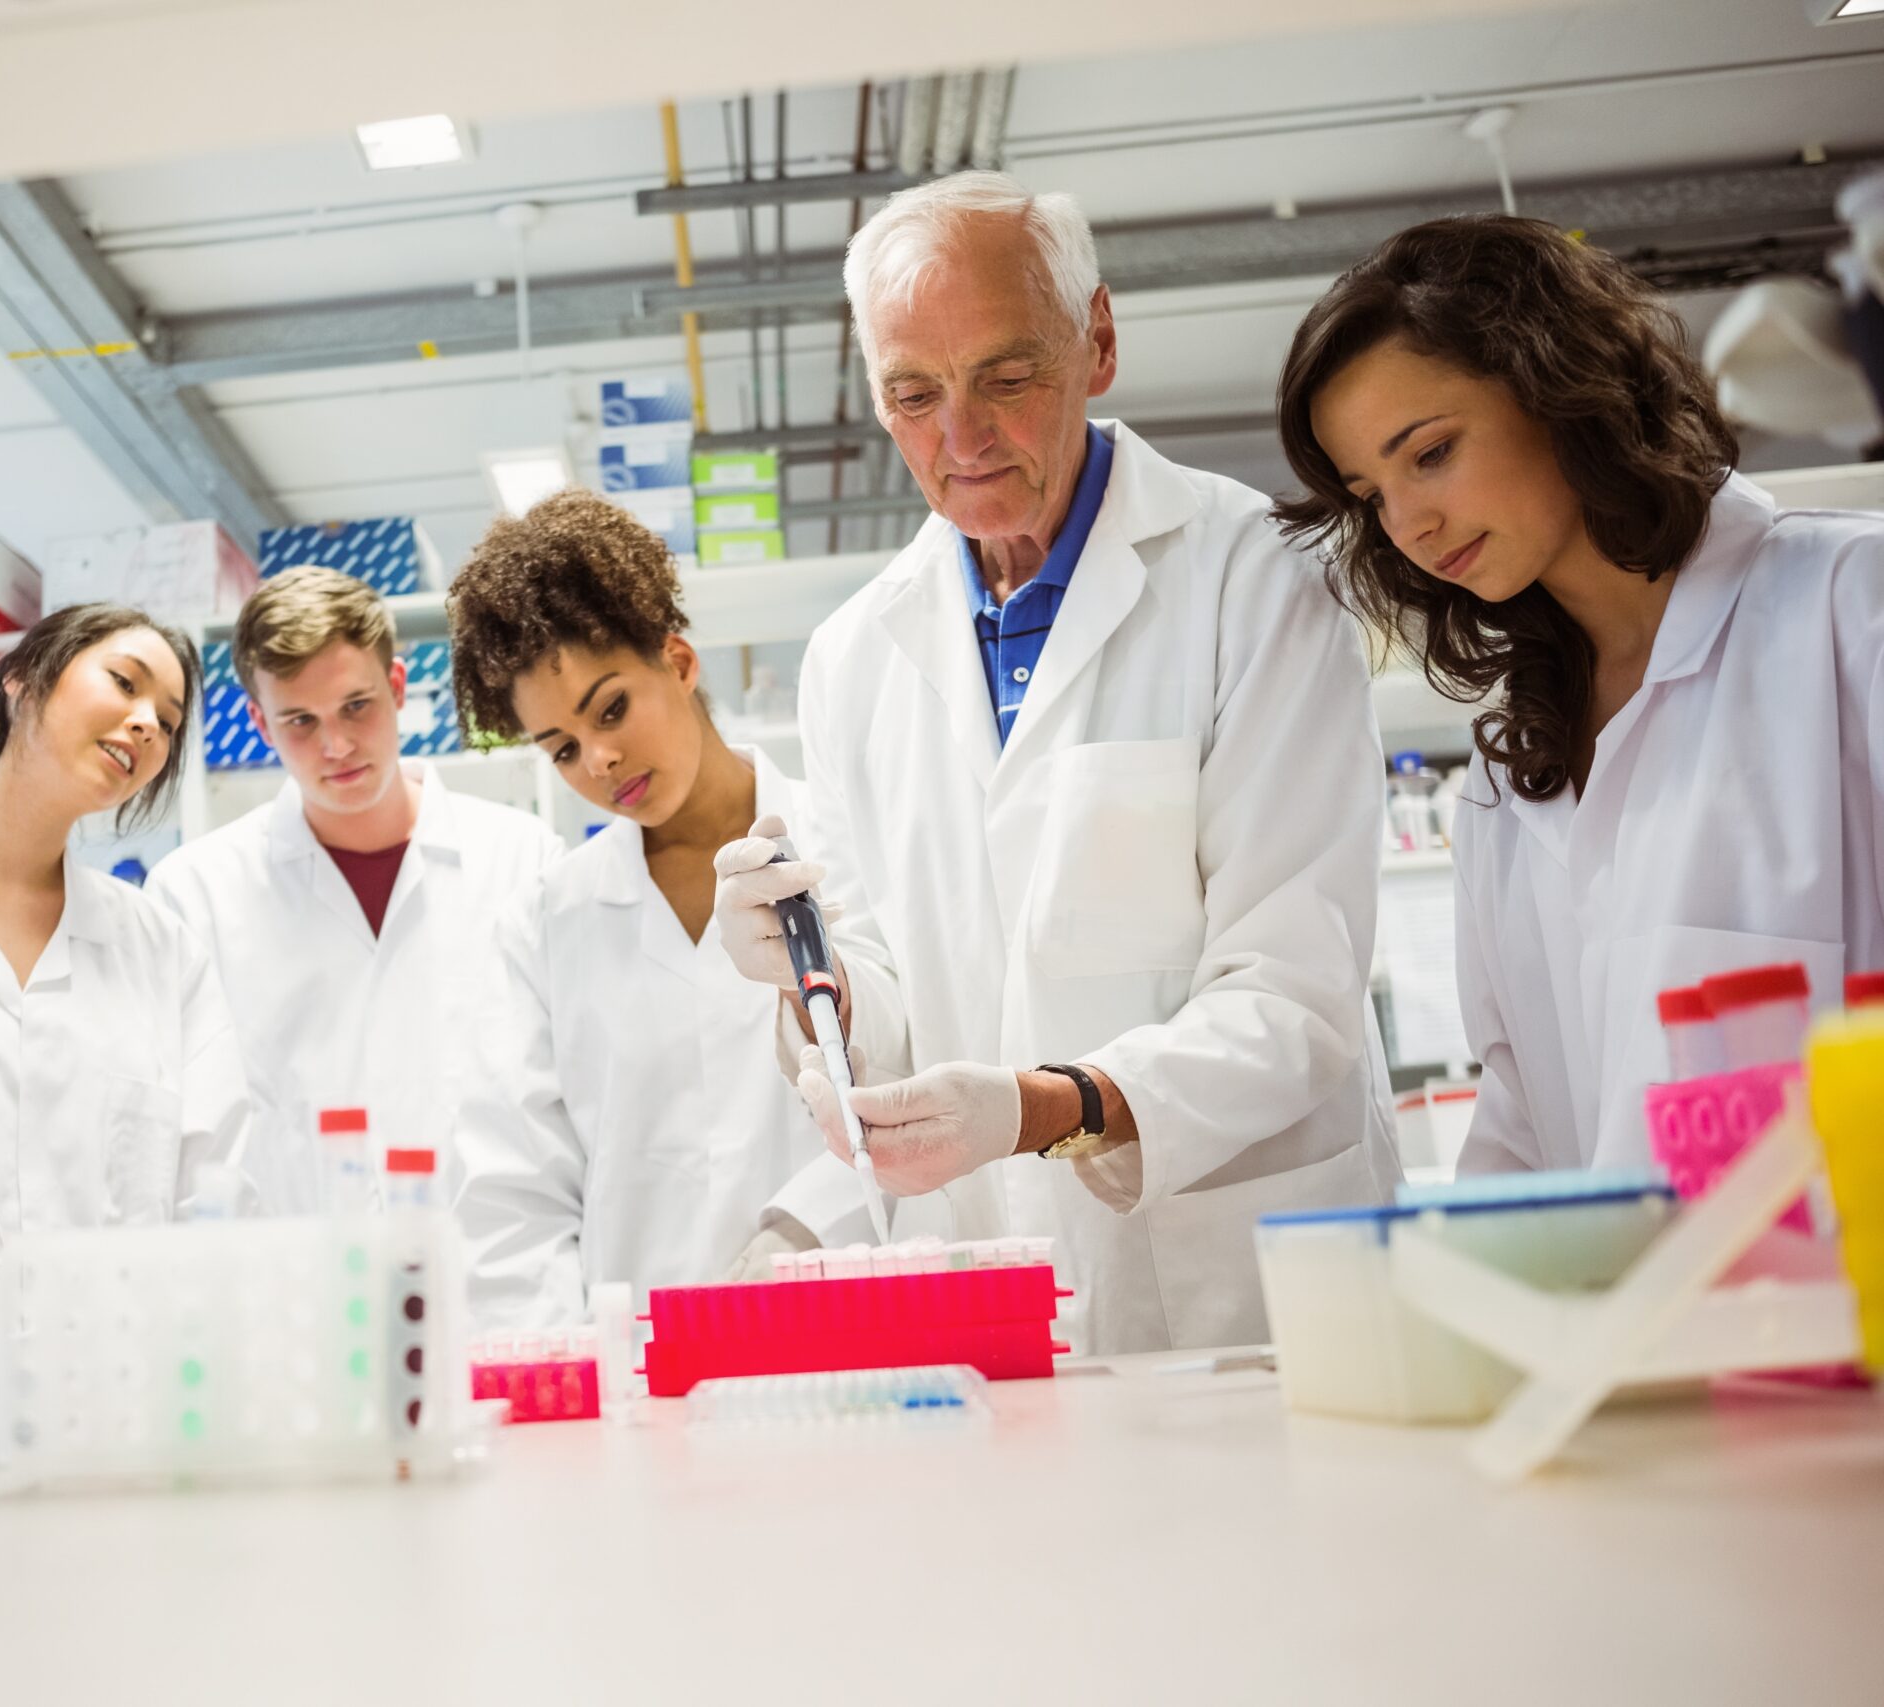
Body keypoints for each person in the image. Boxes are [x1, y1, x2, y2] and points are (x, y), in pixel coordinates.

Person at [710, 171, 1400, 1355]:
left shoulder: (1253, 578)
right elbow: (888, 990)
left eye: (1005, 377)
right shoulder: (852, 657)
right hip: (993, 1294)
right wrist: (811, 977)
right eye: (912, 394)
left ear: (1097, 343)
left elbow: (1295, 993)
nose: (959, 438)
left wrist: (1042, 1110)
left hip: (1250, 1291)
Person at [1274, 214, 1884, 1175]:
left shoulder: (1851, 604)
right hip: (1627, 1275)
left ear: (1556, 388)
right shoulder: (1509, 771)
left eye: (1430, 453)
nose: (1410, 523)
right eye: (1372, 495)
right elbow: (1522, 1123)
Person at [442, 491, 840, 1326]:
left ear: (679, 661)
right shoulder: (546, 924)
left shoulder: (844, 846)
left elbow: (914, 1086)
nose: (599, 758)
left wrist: (812, 1227)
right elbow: (515, 1196)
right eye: (561, 748)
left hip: (853, 1337)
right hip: (641, 1373)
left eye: (611, 708)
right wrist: (578, 1367)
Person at [0, 604, 255, 1228]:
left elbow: (214, 1196)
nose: (147, 725)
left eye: (167, 722)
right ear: (22, 679)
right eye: (125, 682)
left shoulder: (163, 952)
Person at [145, 567, 556, 1196]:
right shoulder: (194, 895)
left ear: (397, 686)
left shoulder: (522, 861)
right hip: (294, 1255)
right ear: (260, 723)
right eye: (300, 721)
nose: (335, 745)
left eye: (356, 706)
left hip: (489, 1249)